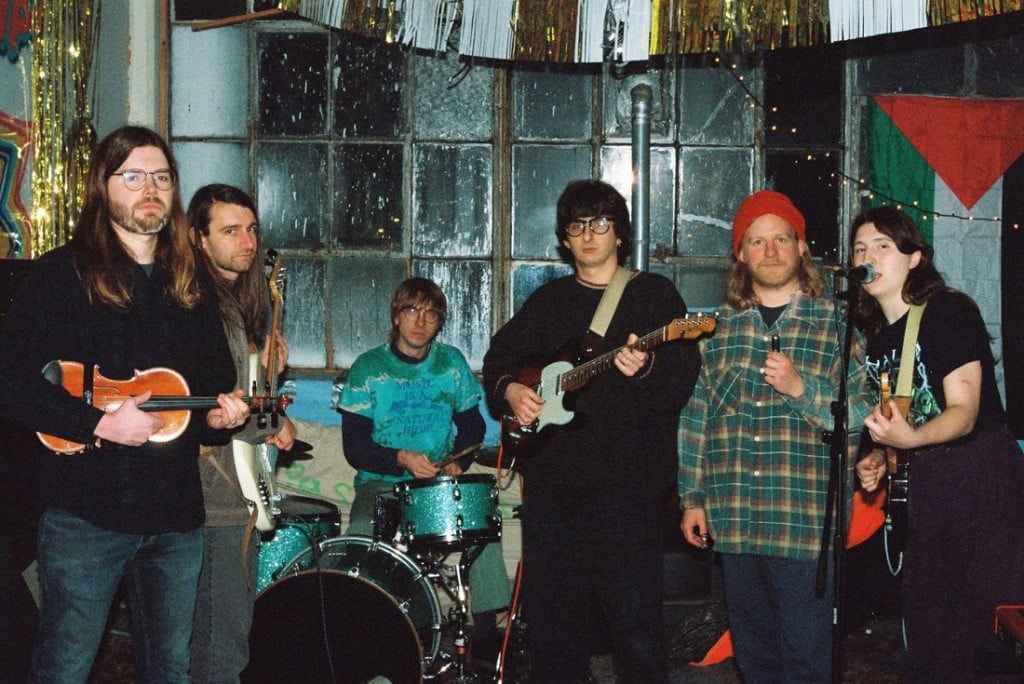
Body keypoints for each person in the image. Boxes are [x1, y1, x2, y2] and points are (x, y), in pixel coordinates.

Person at [0, 126, 249, 683]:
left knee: (172, 670)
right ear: (103, 185)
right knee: (64, 670)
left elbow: (209, 393)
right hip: (86, 517)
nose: (150, 189)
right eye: (133, 176)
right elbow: (9, 381)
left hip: (176, 517)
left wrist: (219, 418)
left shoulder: (192, 282)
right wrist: (98, 424)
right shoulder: (60, 275)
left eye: (161, 177)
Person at [482, 179, 701, 683]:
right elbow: (500, 358)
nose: (588, 234)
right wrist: (511, 391)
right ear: (565, 238)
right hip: (553, 490)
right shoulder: (549, 301)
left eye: (600, 223)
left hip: (628, 492)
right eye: (577, 225)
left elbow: (678, 385)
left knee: (636, 628)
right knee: (553, 627)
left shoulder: (654, 296)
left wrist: (645, 369)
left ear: (619, 233)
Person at [677, 189, 872, 682]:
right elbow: (697, 418)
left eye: (781, 239)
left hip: (803, 523)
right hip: (735, 519)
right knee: (754, 658)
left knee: (806, 658)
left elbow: (864, 410)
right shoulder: (717, 331)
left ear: (801, 247)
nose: (770, 251)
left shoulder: (838, 325)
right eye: (757, 241)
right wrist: (692, 499)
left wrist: (802, 389)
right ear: (740, 255)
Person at [851, 206, 1024, 682]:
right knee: (928, 623)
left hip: (980, 477)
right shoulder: (877, 340)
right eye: (860, 249)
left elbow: (963, 413)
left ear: (915, 258)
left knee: (979, 627)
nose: (868, 257)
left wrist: (910, 439)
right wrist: (879, 458)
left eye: (883, 246)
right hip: (929, 485)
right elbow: (904, 419)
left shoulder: (948, 311)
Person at [336, 276, 511, 663]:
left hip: (437, 484)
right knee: (361, 535)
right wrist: (401, 458)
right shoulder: (368, 369)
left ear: (439, 323)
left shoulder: (451, 364)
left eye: (431, 315)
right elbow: (356, 448)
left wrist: (458, 461)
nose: (420, 322)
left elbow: (472, 426)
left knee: (483, 519)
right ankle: (366, 638)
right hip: (381, 485)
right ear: (396, 316)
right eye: (412, 311)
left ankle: (486, 637)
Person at [187, 183, 297, 682]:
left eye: (251, 229)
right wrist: (270, 416)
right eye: (230, 231)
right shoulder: (197, 305)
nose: (247, 242)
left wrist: (270, 383)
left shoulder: (235, 304)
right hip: (215, 496)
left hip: (234, 493)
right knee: (219, 648)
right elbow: (206, 406)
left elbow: (238, 398)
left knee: (225, 642)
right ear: (198, 237)